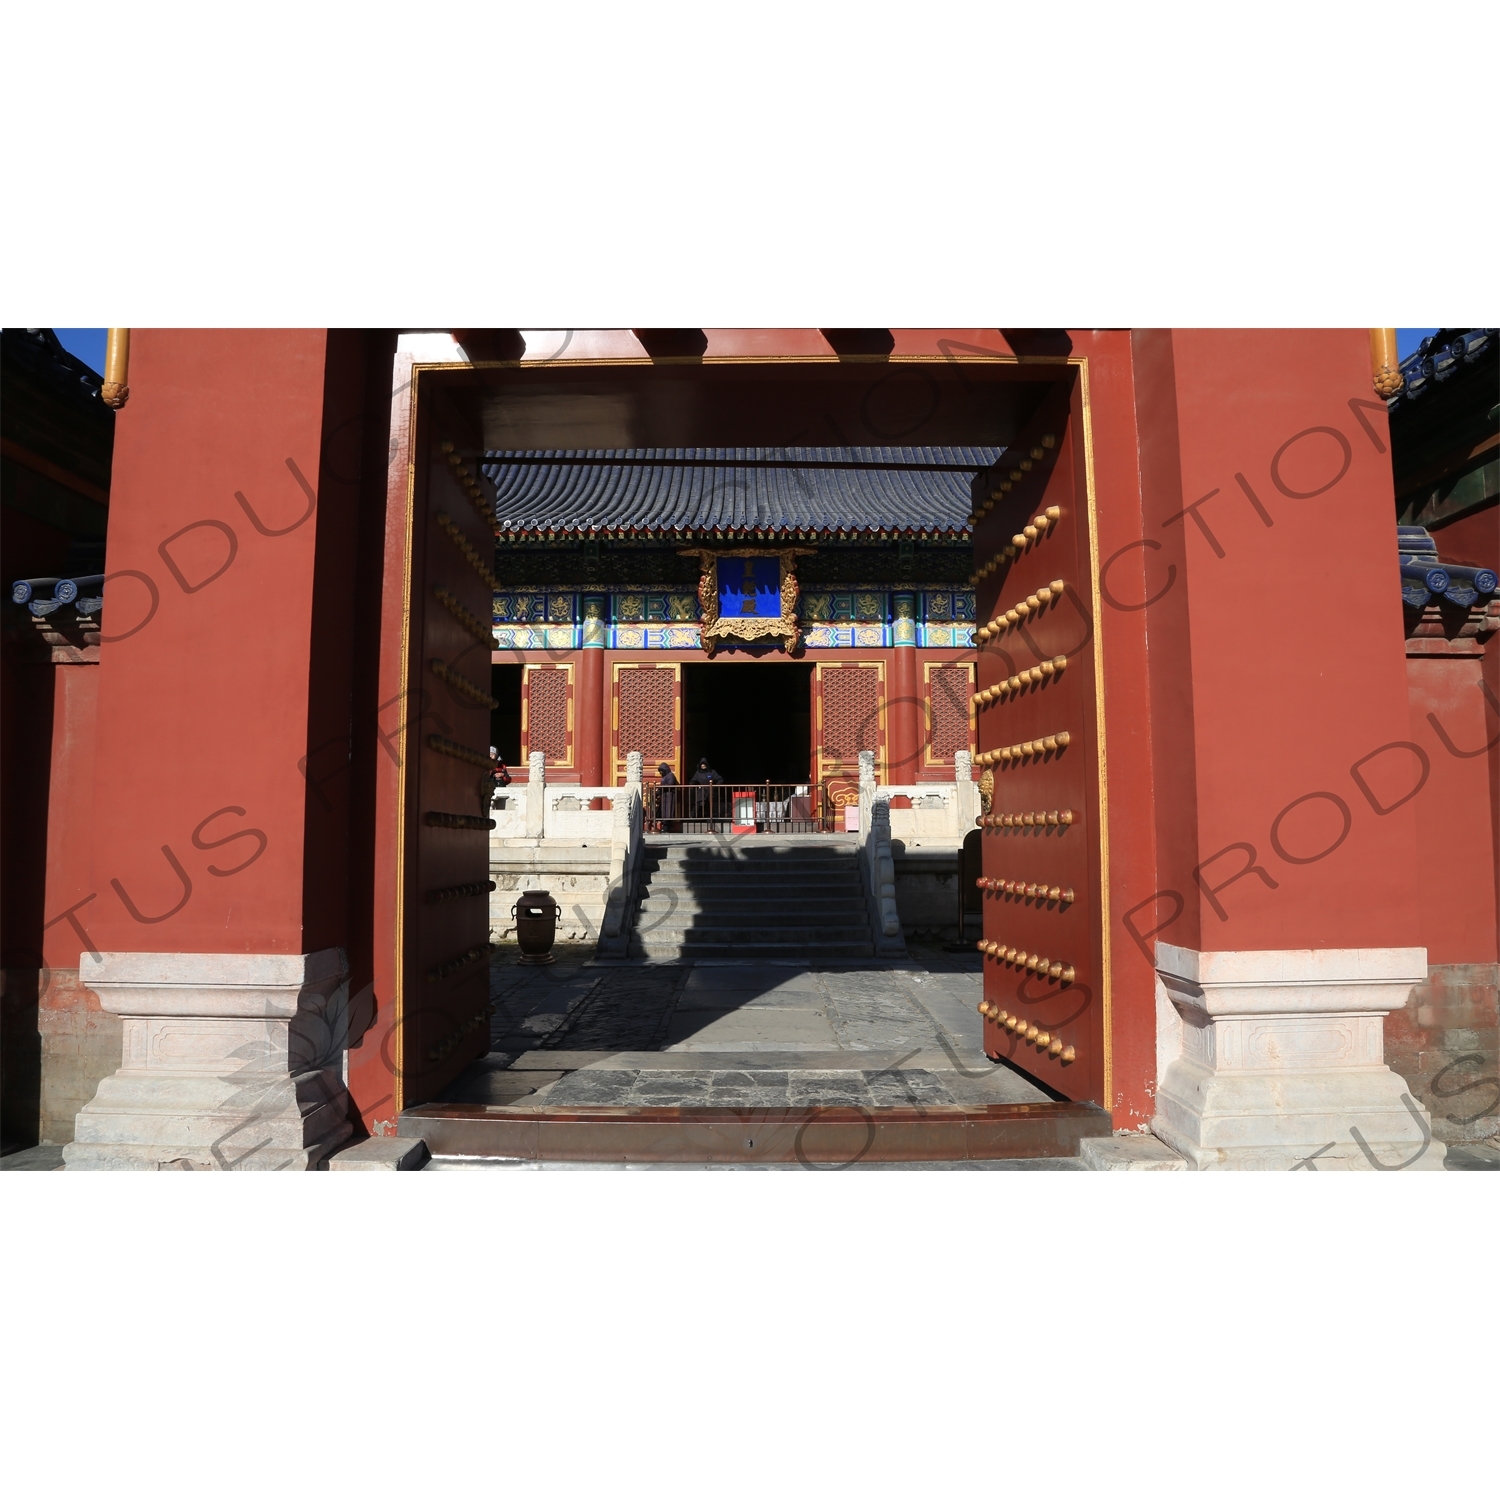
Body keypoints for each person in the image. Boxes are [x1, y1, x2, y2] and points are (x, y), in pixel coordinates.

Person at [688, 756, 723, 824]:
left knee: (709, 805)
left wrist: (714, 787)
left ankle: (710, 819)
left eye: (704, 765)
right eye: (702, 765)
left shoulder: (712, 772)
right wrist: (692, 786)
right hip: (701, 791)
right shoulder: (698, 773)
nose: (703, 766)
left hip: (710, 791)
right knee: (698, 804)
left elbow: (720, 779)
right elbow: (692, 781)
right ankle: (693, 818)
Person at [656, 761, 679, 832]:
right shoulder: (664, 777)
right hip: (664, 795)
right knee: (664, 810)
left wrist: (661, 787)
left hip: (670, 795)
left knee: (669, 809)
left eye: (662, 771)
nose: (661, 773)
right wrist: (657, 793)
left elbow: (670, 784)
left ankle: (668, 826)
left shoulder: (670, 775)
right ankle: (665, 824)